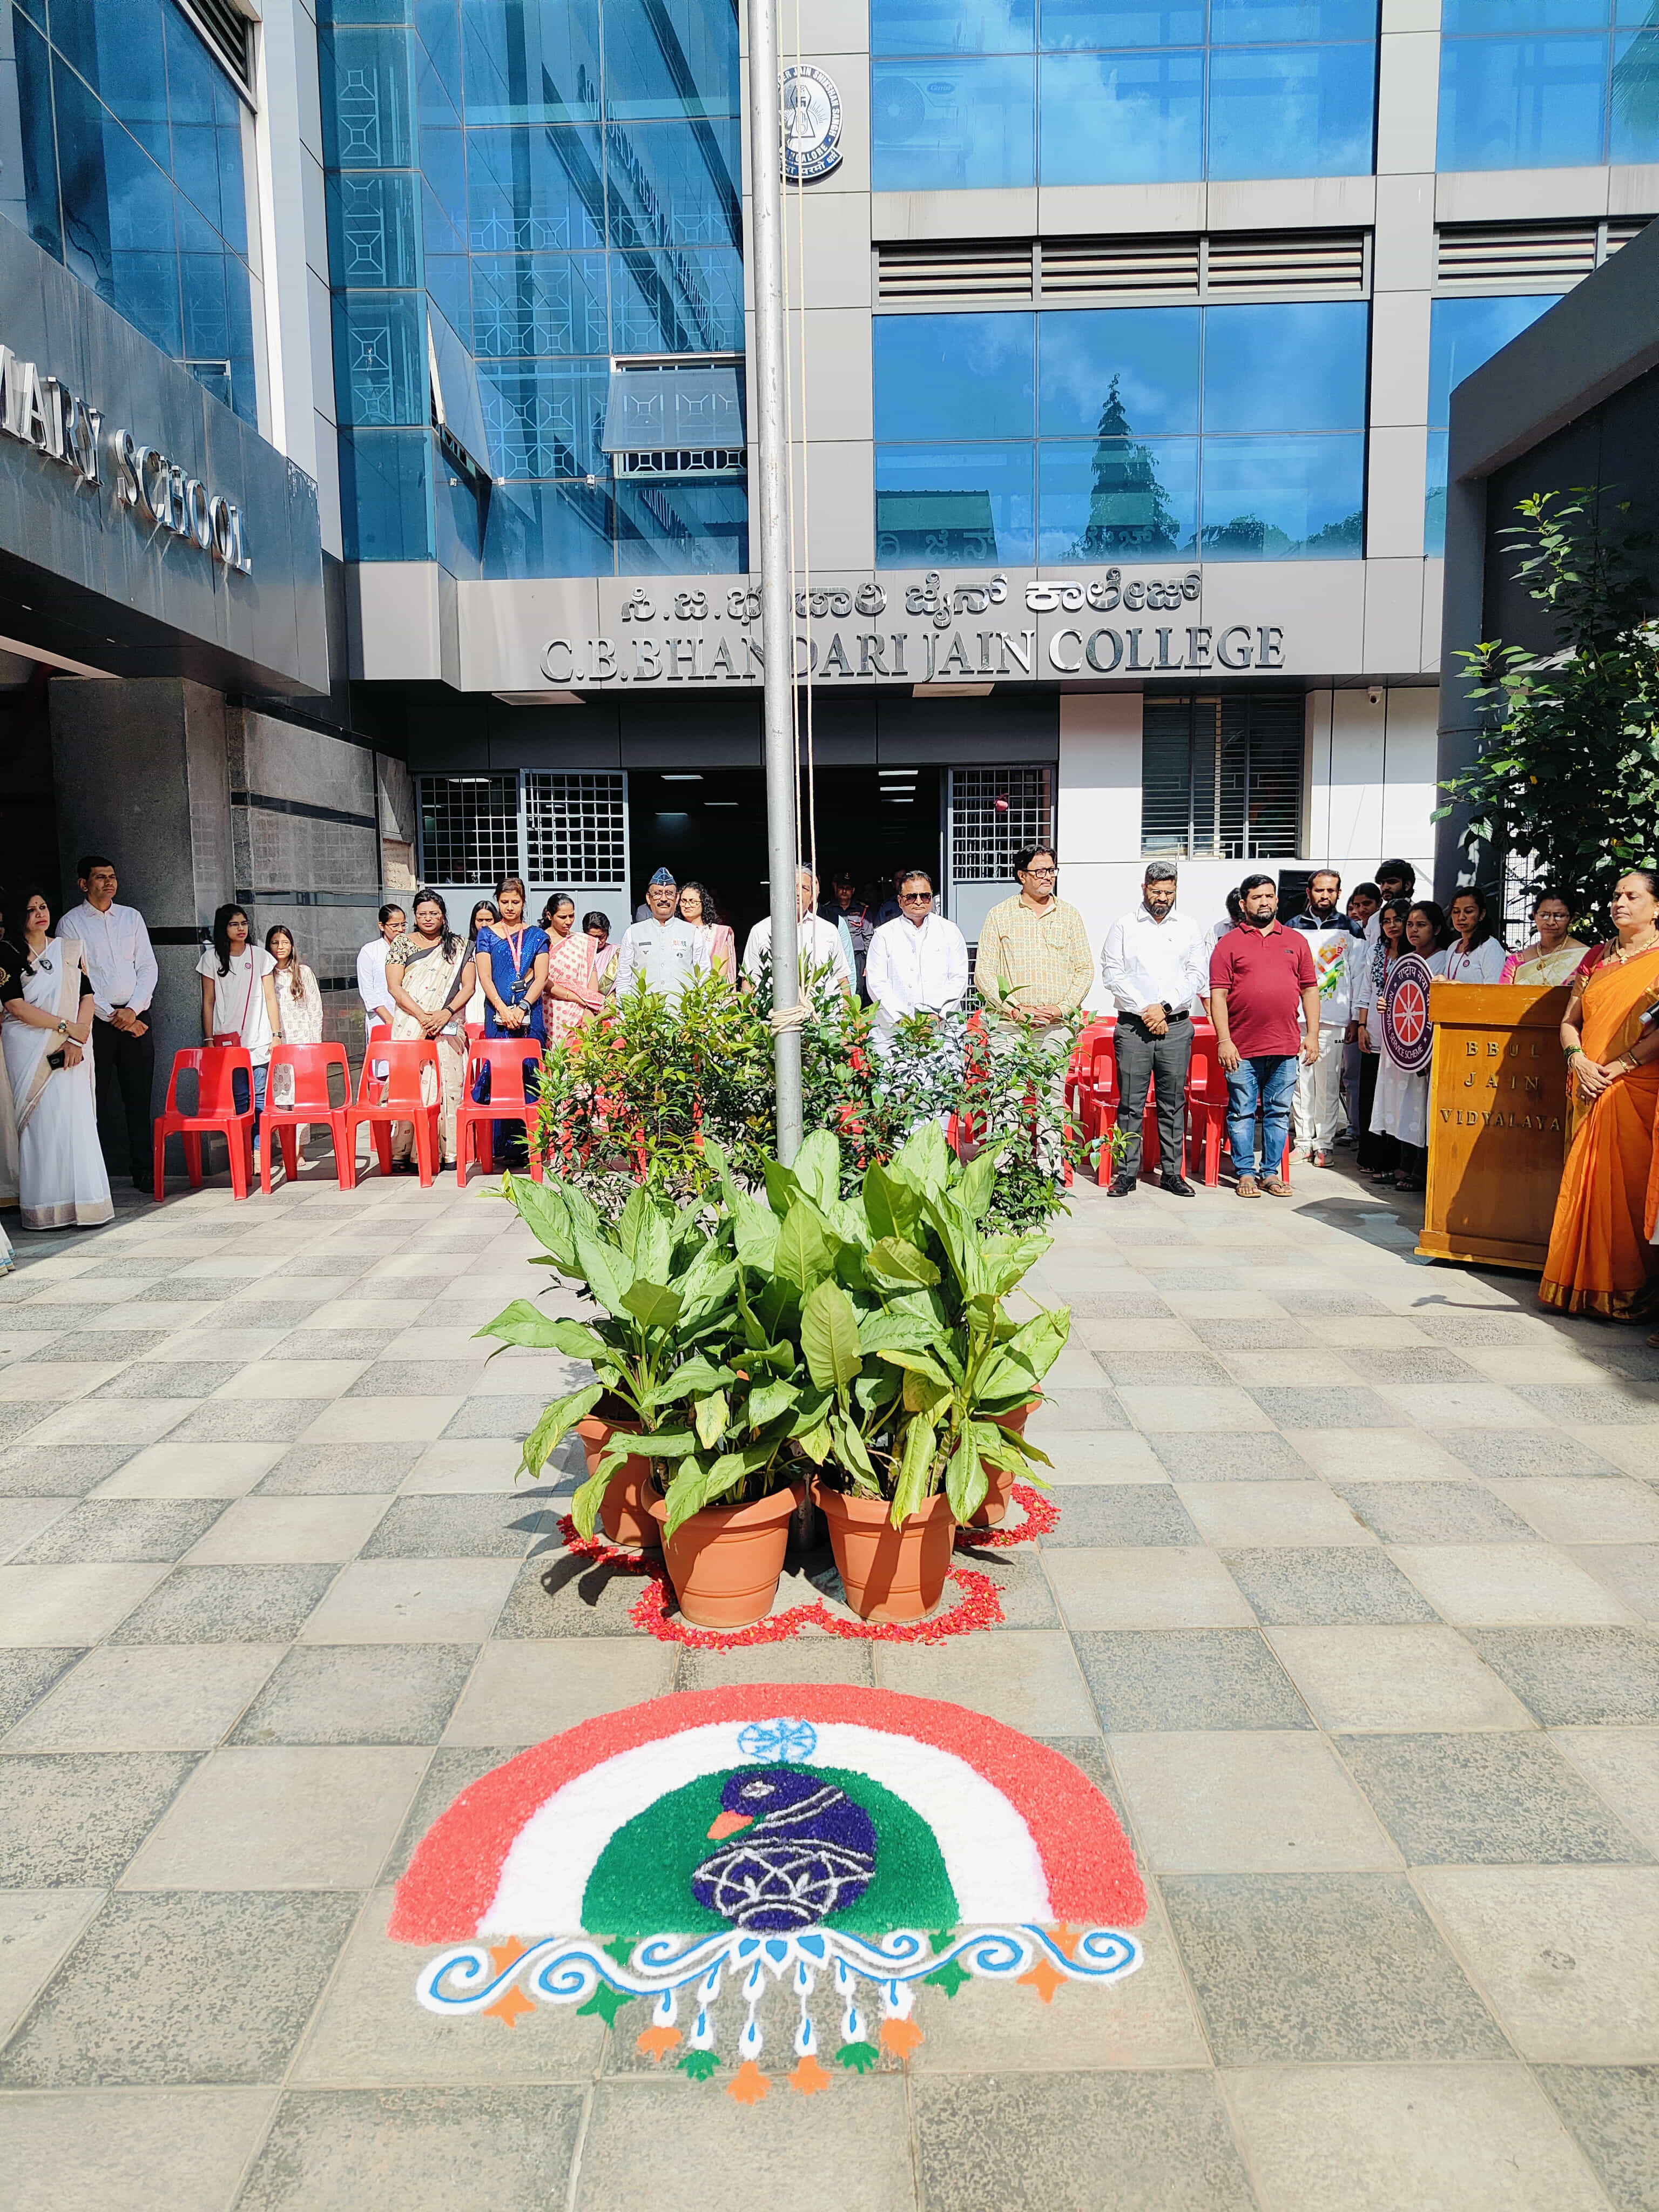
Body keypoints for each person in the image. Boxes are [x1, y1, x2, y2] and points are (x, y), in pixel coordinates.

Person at [1540, 867, 1659, 1319]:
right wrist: (1578, 1060)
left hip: (1634, 1087)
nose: (1619, 903)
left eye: (1631, 895)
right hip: (1587, 1084)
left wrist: (1620, 1065)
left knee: (1628, 1193)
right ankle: (1580, 1288)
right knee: (1583, 1187)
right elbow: (1570, 1022)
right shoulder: (1596, 958)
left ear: (1657, 908)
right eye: (1615, 895)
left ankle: (1629, 1290)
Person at [0, 892, 112, 1230]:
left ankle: (87, 1205)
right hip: (29, 1048)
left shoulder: (69, 949)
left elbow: (87, 996)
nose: (39, 914)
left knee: (75, 1120)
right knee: (42, 1125)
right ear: (20, 917)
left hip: (74, 1048)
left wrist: (77, 1038)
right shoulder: (7, 951)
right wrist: (64, 1027)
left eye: (44, 907)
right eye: (31, 909)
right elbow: (15, 1006)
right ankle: (46, 1208)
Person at [1097, 861, 1207, 1197]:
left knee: (1173, 1102)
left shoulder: (1188, 927)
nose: (1163, 898)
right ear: (1144, 888)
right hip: (1134, 1027)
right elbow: (1111, 972)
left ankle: (1172, 1173)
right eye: (1157, 891)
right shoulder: (1124, 926)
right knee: (1130, 1103)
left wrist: (1165, 1007)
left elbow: (1196, 974)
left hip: (1175, 1025)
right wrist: (1147, 1010)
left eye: (1169, 893)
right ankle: (1127, 1172)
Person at [1208, 873, 1320, 1198]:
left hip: (1284, 1045)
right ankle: (1245, 1172)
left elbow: (1310, 989)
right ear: (1243, 904)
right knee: (1242, 1110)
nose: (1265, 902)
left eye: (1270, 896)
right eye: (1257, 897)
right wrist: (1224, 1040)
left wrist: (1311, 1034)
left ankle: (1270, 1173)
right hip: (1241, 1047)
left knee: (1278, 1112)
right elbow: (1218, 995)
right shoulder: (1228, 944)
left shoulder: (1296, 941)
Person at [60, 854, 158, 1196]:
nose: (109, 882)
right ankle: (95, 1178)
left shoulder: (131, 918)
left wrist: (132, 1011)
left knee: (139, 1097)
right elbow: (78, 978)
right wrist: (112, 1016)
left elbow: (147, 967)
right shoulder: (70, 924)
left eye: (112, 876)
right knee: (94, 1100)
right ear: (83, 884)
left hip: (137, 1019)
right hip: (96, 1024)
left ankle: (144, 1171)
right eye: (100, 877)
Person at [386, 890, 475, 1171]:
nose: (428, 918)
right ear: (415, 915)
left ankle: (450, 1152)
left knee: (448, 1084)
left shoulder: (460, 946)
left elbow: (469, 987)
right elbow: (395, 987)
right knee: (412, 1086)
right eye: (422, 913)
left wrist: (444, 1013)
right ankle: (405, 1152)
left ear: (443, 915)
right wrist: (423, 1016)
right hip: (412, 1023)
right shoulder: (402, 944)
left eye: (434, 913)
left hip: (447, 1023)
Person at [1368, 900, 1451, 1190]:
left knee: (1420, 1108)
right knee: (1401, 1106)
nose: (1413, 931)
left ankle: (1418, 1170)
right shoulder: (1406, 959)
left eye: (1422, 925)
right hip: (1402, 1046)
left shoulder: (1444, 960)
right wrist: (1386, 1003)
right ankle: (1402, 1165)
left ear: (1437, 928)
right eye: (1411, 925)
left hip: (1426, 1047)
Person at [475, 876, 549, 1169]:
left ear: (523, 903)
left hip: (530, 1015)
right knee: (500, 1073)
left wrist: (522, 1006)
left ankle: (531, 1145)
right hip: (497, 1013)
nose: (509, 907)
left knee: (529, 1073)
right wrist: (503, 1008)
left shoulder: (536, 936)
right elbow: (485, 976)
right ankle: (498, 1144)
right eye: (504, 902)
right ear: (497, 901)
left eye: (515, 902)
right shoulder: (487, 935)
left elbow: (541, 977)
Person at [1287, 868, 1359, 1166]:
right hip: (1297, 1017)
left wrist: (1355, 1018)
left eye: (1331, 891)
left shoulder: (1351, 929)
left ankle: (1324, 1145)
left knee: (1328, 1084)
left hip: (1334, 1017)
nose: (1325, 896)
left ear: (1339, 893)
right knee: (1300, 1083)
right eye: (1319, 890)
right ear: (1309, 892)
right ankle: (1303, 1142)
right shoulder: (1292, 927)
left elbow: (1359, 975)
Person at [198, 904, 281, 1159]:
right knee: (240, 1096)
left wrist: (276, 1035)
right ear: (223, 928)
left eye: (244, 923)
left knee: (258, 1096)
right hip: (227, 1040)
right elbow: (208, 1001)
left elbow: (270, 998)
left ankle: (258, 1151)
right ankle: (242, 1151)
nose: (241, 928)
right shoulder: (211, 959)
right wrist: (209, 1038)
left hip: (258, 1037)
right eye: (234, 924)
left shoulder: (261, 957)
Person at [865, 869, 969, 1051]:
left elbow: (959, 978)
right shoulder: (884, 935)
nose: (919, 901)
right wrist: (901, 1018)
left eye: (925, 896)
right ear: (900, 901)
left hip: (941, 1030)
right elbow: (876, 982)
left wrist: (936, 1016)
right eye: (912, 897)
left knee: (943, 1078)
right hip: (894, 1031)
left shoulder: (950, 931)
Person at [1353, 896, 1410, 1179]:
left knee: (1395, 1101)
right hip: (1374, 1034)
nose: (1392, 926)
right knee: (1370, 1097)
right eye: (1386, 921)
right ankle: (1371, 1155)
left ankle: (1393, 1161)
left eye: (1398, 920)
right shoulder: (1377, 952)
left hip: (1403, 1040)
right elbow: (1366, 990)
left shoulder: (1415, 955)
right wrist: (1362, 1024)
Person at [742, 868, 852, 997]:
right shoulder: (761, 931)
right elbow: (748, 982)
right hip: (775, 1016)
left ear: (812, 897)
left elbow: (842, 980)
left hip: (821, 1016)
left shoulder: (828, 931)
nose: (798, 892)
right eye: (792, 886)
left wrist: (847, 1016)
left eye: (805, 888)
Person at [610, 869, 710, 1007]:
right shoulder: (633, 933)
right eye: (657, 894)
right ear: (648, 898)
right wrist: (625, 1014)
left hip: (683, 1019)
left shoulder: (692, 933)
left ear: (677, 898)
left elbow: (704, 977)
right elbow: (624, 978)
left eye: (669, 894)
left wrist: (703, 1017)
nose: (664, 899)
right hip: (644, 1019)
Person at [264, 927, 324, 1142]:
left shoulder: (303, 972)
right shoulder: (265, 974)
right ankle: (285, 1147)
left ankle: (299, 1148)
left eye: (285, 943)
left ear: (292, 946)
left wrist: (315, 1045)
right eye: (275, 943)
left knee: (300, 1096)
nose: (280, 947)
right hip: (278, 1042)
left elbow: (315, 1009)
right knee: (281, 1095)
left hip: (302, 1040)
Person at [1338, 882, 1382, 1142]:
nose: (1359, 910)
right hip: (1351, 1015)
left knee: (1355, 1076)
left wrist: (1358, 1021)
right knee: (1348, 1076)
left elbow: (1363, 983)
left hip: (1364, 1020)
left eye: (1366, 904)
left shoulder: (1376, 936)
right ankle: (1355, 1126)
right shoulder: (1352, 934)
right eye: (1354, 906)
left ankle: (1359, 1129)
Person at [541, 892, 604, 1045]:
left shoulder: (582, 942)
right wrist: (575, 997)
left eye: (572, 916)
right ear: (550, 916)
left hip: (583, 1010)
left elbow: (591, 974)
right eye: (563, 917)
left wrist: (589, 1010)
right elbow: (542, 980)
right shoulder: (541, 941)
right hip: (552, 1011)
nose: (568, 921)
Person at [1502, 889, 1588, 985]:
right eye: (1544, 915)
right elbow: (1502, 996)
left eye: (1559, 916)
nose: (1551, 922)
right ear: (1535, 916)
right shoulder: (1516, 962)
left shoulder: (1586, 957)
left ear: (1572, 918)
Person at [358, 902, 405, 1071]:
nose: (400, 930)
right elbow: (368, 990)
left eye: (403, 925)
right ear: (382, 926)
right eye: (395, 925)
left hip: (408, 1017)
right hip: (381, 1018)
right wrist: (389, 1019)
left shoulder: (410, 948)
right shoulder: (370, 951)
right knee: (385, 1067)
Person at [825, 871, 876, 997]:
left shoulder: (862, 910)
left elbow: (868, 938)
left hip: (857, 957)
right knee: (834, 988)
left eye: (848, 889)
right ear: (836, 888)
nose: (844, 892)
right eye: (842, 888)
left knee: (858, 989)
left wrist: (868, 964)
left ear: (853, 891)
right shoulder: (827, 910)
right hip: (834, 957)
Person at [1444, 885, 1509, 983]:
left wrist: (1459, 988)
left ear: (1482, 914)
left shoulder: (1490, 947)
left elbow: (1495, 991)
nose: (1461, 917)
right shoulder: (1453, 948)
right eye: (1456, 911)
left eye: (1469, 911)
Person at [678, 882, 737, 984]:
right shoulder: (674, 931)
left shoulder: (718, 934)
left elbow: (721, 975)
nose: (687, 905)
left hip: (709, 994)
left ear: (703, 903)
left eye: (693, 901)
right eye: (683, 901)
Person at [463, 898, 500, 1028]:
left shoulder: (503, 948)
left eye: (489, 920)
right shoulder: (466, 948)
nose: (484, 925)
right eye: (480, 920)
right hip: (473, 999)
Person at [1363, 860, 1417, 945]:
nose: (1385, 887)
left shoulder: (1419, 915)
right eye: (1382, 883)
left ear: (1407, 885)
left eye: (1392, 882)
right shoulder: (1374, 919)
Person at [584, 910, 619, 988]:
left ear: (607, 933)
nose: (598, 941)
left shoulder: (616, 953)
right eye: (593, 937)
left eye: (601, 937)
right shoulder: (577, 952)